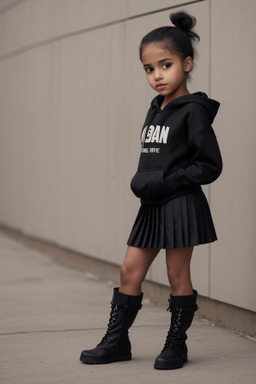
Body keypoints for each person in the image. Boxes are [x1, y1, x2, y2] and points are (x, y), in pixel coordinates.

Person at [80, 10, 222, 370]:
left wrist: (164, 182)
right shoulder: (156, 108)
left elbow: (209, 165)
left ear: (186, 64)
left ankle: (176, 345)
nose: (157, 75)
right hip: (152, 204)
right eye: (149, 68)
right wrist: (145, 181)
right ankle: (117, 342)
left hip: (179, 202)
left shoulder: (194, 112)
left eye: (165, 65)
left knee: (177, 277)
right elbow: (154, 156)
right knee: (130, 271)